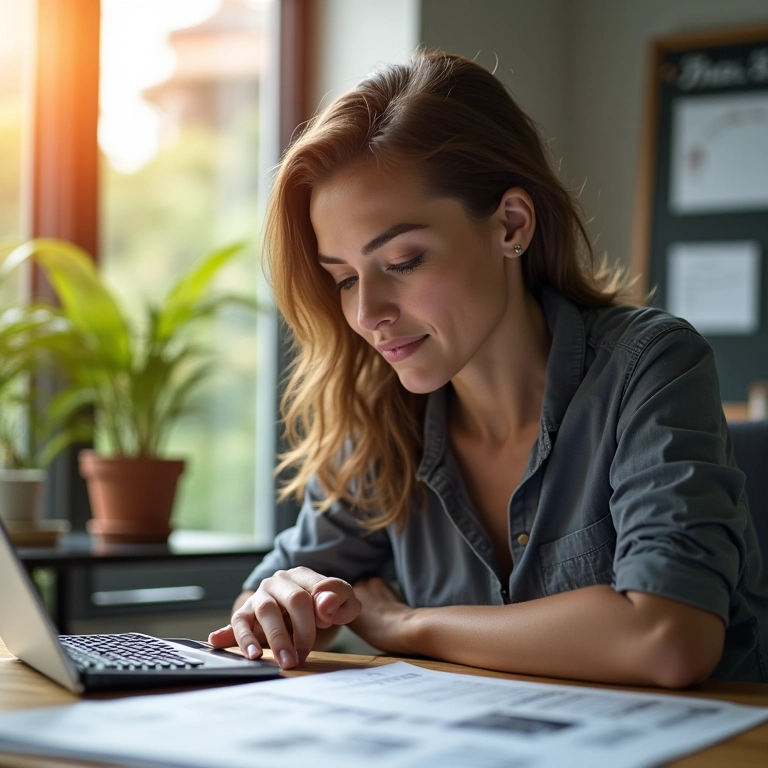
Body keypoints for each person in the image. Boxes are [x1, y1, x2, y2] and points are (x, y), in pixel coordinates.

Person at [208, 49, 768, 686]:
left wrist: (407, 624)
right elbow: (250, 615)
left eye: (403, 261)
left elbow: (668, 638)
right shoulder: (378, 414)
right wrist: (280, 607)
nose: (367, 313)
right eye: (342, 279)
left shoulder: (650, 366)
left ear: (510, 224)